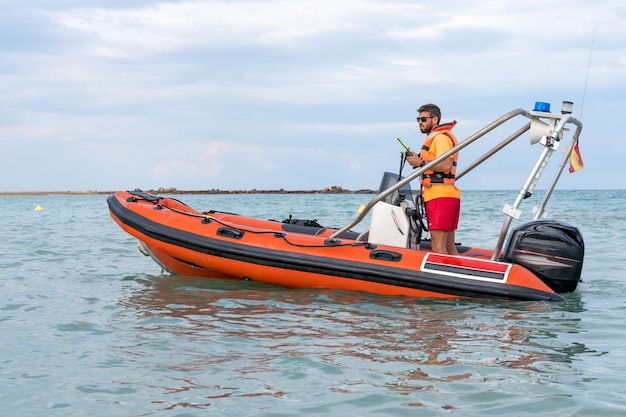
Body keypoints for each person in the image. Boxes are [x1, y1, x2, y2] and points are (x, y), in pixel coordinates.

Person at [406, 103, 461, 255]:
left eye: (423, 119)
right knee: (449, 247)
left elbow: (446, 165)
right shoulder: (438, 138)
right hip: (446, 196)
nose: (420, 123)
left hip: (440, 196)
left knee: (438, 247)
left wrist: (420, 162)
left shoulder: (440, 138)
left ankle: (445, 276)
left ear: (435, 120)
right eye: (418, 119)